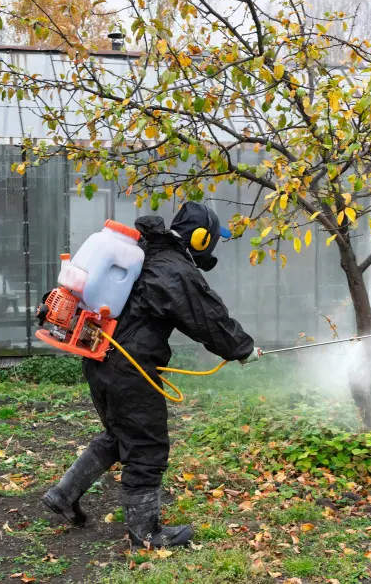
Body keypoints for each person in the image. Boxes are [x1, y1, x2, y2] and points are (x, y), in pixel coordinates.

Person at [42, 201, 260, 549]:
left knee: (120, 434)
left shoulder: (143, 254)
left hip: (100, 359)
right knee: (146, 444)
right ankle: (146, 532)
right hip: (129, 368)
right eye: (211, 240)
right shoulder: (173, 270)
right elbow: (208, 318)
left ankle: (64, 494)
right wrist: (242, 348)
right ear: (201, 239)